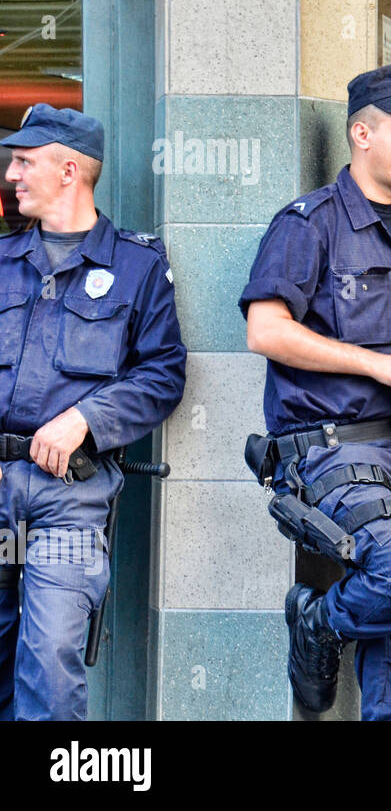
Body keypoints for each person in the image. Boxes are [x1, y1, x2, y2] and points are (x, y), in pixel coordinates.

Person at [240, 65, 391, 721]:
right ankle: (321, 624)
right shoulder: (310, 224)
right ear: (362, 133)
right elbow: (265, 331)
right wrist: (378, 366)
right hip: (330, 449)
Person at [0, 104, 186, 720]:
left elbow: (162, 375)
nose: (12, 175)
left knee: (51, 661)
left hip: (67, 499)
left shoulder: (136, 267)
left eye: (26, 162)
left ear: (69, 170)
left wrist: (85, 418)